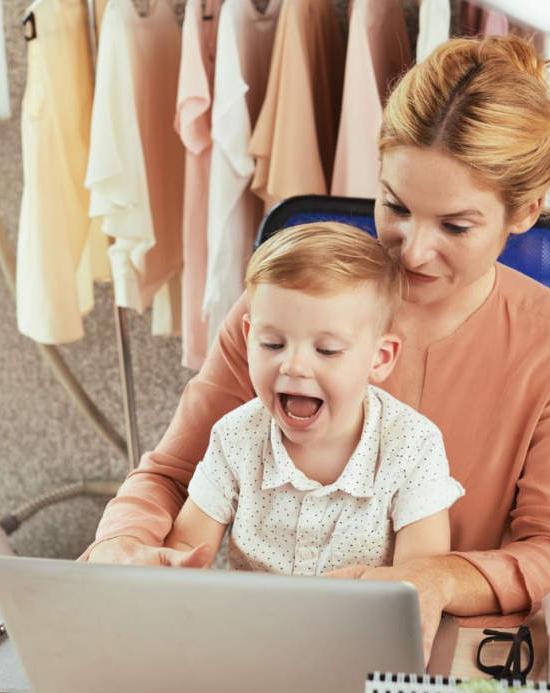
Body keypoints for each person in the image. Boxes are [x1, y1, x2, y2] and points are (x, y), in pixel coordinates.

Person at [87, 34, 550, 649]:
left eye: (455, 226)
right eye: (395, 206)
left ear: (524, 213)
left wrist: (434, 581)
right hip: (265, 643)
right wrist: (121, 541)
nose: (413, 249)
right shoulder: (280, 312)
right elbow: (172, 474)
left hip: (448, 651)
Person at [163, 223, 464, 573]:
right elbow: (186, 543)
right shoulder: (236, 436)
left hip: (363, 626)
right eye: (273, 344)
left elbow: (421, 578)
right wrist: (177, 569)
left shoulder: (413, 445)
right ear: (248, 339)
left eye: (327, 350)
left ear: (379, 358)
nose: (293, 366)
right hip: (254, 624)